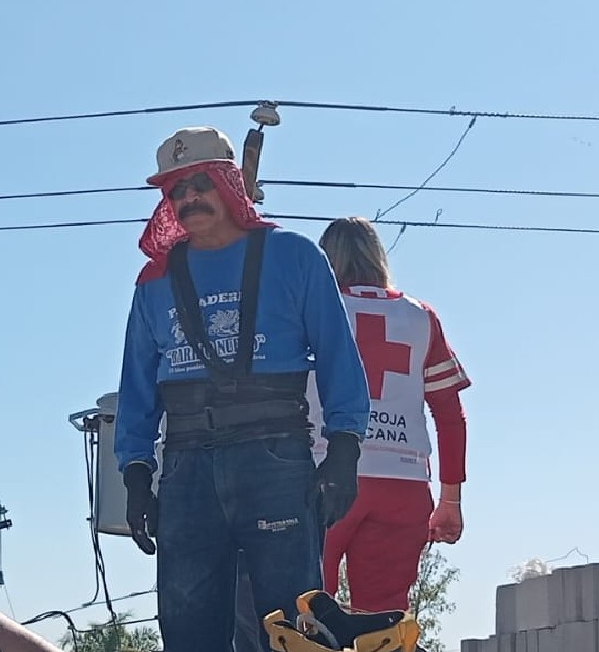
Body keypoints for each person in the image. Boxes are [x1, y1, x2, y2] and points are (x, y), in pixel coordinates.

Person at [113, 126, 371, 652]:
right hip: (186, 467)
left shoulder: (295, 257)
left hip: (274, 457)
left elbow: (340, 357)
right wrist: (137, 475)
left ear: (231, 183)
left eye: (199, 183)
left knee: (294, 626)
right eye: (175, 190)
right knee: (186, 627)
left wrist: (345, 449)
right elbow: (137, 386)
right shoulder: (153, 281)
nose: (187, 198)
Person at [308, 217, 470, 613]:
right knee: (383, 618)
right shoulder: (421, 317)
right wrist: (451, 500)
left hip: (321, 475)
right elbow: (451, 416)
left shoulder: (311, 311)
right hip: (403, 482)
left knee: (308, 610)